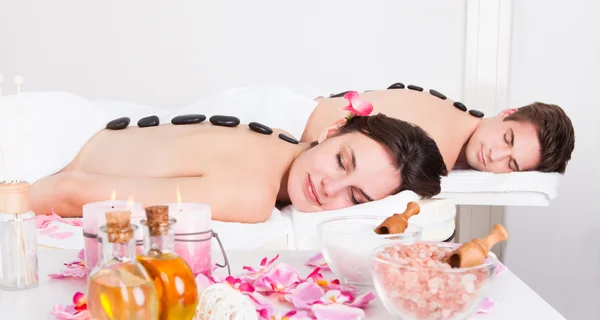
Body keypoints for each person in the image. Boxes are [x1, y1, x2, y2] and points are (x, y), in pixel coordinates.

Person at [28, 110, 447, 223]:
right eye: (342, 161)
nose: (330, 188)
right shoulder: (251, 198)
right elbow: (69, 192)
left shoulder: (279, 140)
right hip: (36, 148)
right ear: (333, 130)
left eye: (356, 197)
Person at [300, 87, 575, 174]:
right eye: (508, 138)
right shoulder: (440, 145)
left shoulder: (457, 124)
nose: (495, 154)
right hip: (284, 123)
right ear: (506, 114)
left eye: (512, 163)